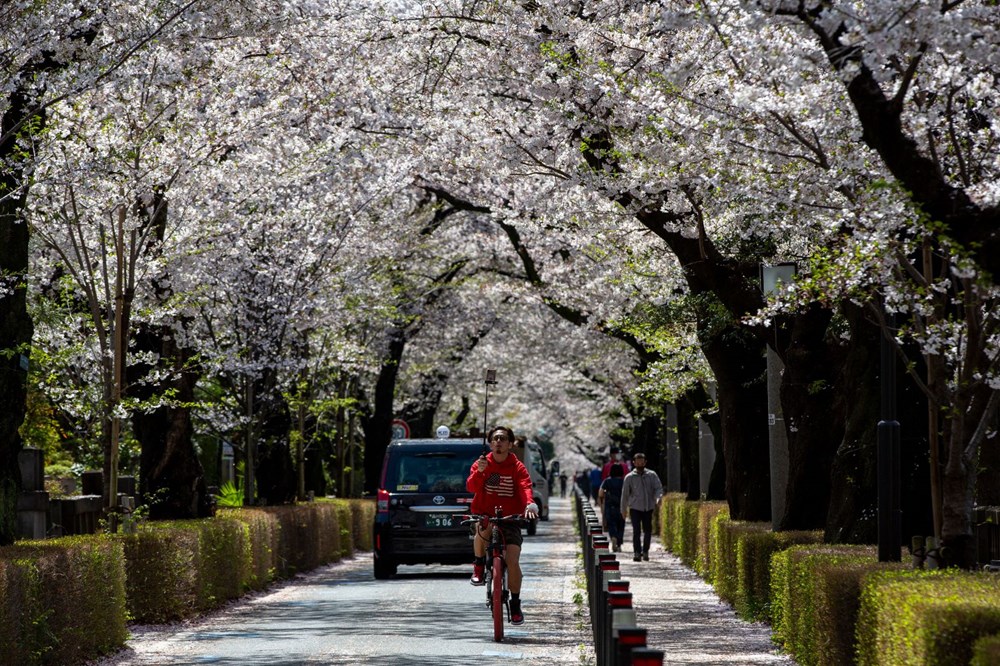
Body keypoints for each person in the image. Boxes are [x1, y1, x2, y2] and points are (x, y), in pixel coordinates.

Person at [467, 425, 538, 625]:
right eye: (495, 439)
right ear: (490, 443)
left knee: (513, 560)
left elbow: (525, 486)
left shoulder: (517, 467)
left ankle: (515, 603)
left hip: (511, 519)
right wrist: (479, 473)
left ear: (510, 444)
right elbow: (471, 486)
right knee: (482, 529)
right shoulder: (482, 463)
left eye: (503, 439)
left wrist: (529, 503)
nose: (498, 442)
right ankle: (479, 565)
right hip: (486, 515)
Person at [620, 452, 663, 562]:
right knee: (636, 531)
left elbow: (658, 488)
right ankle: (637, 552)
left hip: (648, 507)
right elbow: (624, 494)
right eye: (637, 462)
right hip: (635, 507)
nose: (640, 464)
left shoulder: (652, 475)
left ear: (645, 462)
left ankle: (645, 551)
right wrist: (623, 509)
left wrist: (658, 498)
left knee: (648, 530)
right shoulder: (629, 477)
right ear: (634, 463)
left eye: (642, 462)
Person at [598, 463, 625, 552]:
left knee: (611, 524)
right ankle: (619, 544)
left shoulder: (607, 481)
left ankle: (613, 537)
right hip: (621, 506)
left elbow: (601, 493)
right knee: (621, 525)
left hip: (610, 506)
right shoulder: (623, 481)